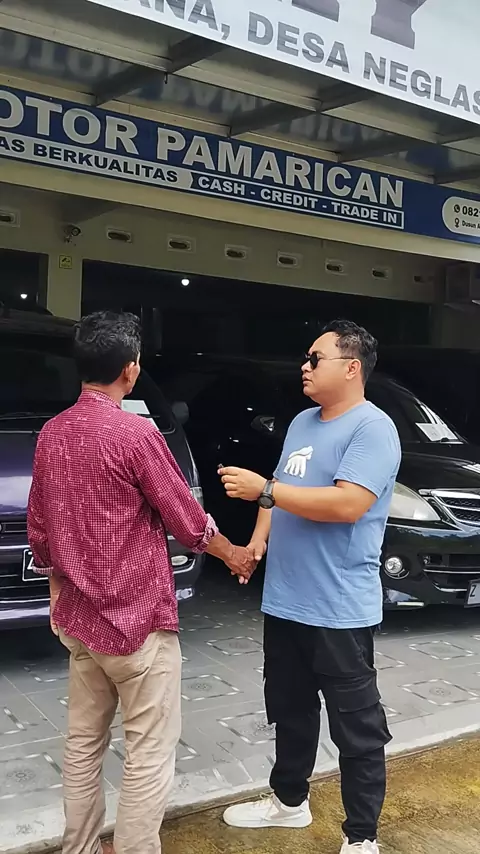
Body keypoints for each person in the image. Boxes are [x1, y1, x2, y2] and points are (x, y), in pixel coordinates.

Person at [27, 311, 254, 854]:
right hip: (138, 628)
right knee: (148, 752)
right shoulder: (136, 434)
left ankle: (80, 848)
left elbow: (40, 531)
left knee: (83, 744)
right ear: (130, 370)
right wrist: (235, 555)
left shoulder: (52, 434)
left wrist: (59, 592)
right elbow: (188, 523)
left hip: (80, 622)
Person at [219, 320, 401, 854]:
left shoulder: (373, 429)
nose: (304, 366)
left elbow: (348, 504)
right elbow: (280, 493)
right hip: (286, 600)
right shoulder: (302, 422)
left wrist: (265, 489)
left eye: (316, 358)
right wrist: (256, 542)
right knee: (290, 709)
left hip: (338, 608)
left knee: (357, 728)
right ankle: (289, 802)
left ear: (351, 367)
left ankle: (361, 837)